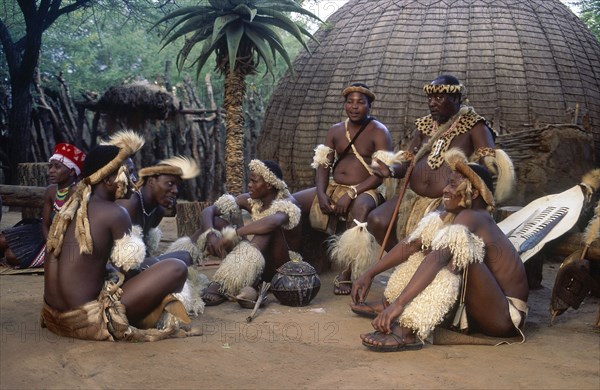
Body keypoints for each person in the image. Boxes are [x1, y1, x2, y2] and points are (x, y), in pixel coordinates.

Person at [351, 149, 528, 352]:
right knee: (427, 245)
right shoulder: (456, 215)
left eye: (452, 185)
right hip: (485, 308)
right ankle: (388, 303)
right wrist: (369, 274)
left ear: (475, 192)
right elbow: (411, 244)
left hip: (504, 317)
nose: (444, 190)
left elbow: (438, 259)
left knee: (453, 255)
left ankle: (407, 330)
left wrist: (399, 306)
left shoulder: (474, 216)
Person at [41, 136, 200, 341]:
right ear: (108, 179)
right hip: (88, 321)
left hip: (53, 316)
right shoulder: (115, 213)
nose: (134, 181)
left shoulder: (72, 207)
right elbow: (130, 269)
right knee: (176, 267)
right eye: (128, 173)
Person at [367, 75, 514, 252]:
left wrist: (462, 191)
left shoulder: (475, 126)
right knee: (376, 220)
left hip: (447, 200)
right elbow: (407, 163)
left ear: (456, 98)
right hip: (412, 197)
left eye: (439, 97)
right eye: (430, 98)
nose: (432, 103)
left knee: (432, 234)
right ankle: (407, 262)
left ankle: (424, 268)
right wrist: (389, 170)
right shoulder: (424, 126)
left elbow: (488, 170)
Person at [293, 82, 393, 295]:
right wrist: (320, 193)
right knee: (292, 203)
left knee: (360, 210)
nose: (354, 107)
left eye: (360, 102)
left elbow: (379, 175)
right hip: (334, 186)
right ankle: (294, 258)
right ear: (345, 105)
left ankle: (347, 271)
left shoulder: (379, 132)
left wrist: (353, 192)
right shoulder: (336, 131)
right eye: (350, 102)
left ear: (369, 106)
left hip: (367, 189)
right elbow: (323, 164)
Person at [170, 159, 301, 306]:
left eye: (254, 181)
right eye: (249, 181)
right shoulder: (249, 199)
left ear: (269, 185)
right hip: (256, 260)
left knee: (267, 230)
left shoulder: (288, 202)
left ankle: (223, 284)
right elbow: (209, 210)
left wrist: (233, 234)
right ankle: (177, 264)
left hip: (280, 267)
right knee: (217, 223)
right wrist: (211, 233)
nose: (249, 185)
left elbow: (273, 222)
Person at [0, 143, 85, 268]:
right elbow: (45, 223)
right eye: (50, 166)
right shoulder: (51, 191)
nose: (51, 170)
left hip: (64, 241)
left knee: (11, 256)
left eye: (57, 167)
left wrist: (54, 247)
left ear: (72, 171)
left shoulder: (79, 193)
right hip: (43, 233)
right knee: (1, 240)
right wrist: (49, 241)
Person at [116, 150, 199, 265]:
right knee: (183, 258)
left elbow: (145, 250)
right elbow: (121, 259)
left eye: (177, 186)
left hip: (135, 265)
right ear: (151, 181)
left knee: (184, 257)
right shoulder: (129, 205)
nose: (175, 191)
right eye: (170, 184)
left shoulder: (158, 211)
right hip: (116, 270)